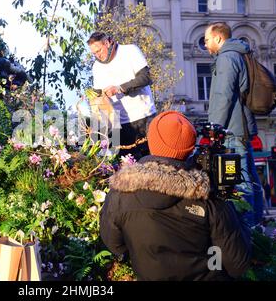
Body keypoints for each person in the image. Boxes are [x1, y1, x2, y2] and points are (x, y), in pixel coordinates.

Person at [100, 111, 252, 281]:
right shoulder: (207, 197)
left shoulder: (120, 194)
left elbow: (114, 244)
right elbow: (237, 263)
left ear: (152, 141)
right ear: (189, 148)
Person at [204, 22, 263, 225]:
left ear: (219, 38)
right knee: (250, 179)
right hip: (240, 126)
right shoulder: (237, 54)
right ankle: (256, 224)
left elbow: (223, 95)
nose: (205, 44)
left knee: (240, 184)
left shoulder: (227, 58)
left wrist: (214, 128)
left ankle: (248, 230)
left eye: (207, 39)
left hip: (232, 129)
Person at [87, 32, 156, 160]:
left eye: (99, 50)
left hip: (144, 117)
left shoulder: (130, 51)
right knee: (126, 168)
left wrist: (120, 88)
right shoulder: (96, 67)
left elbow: (146, 77)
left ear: (107, 43)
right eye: (94, 53)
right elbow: (98, 98)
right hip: (120, 124)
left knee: (150, 163)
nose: (98, 55)